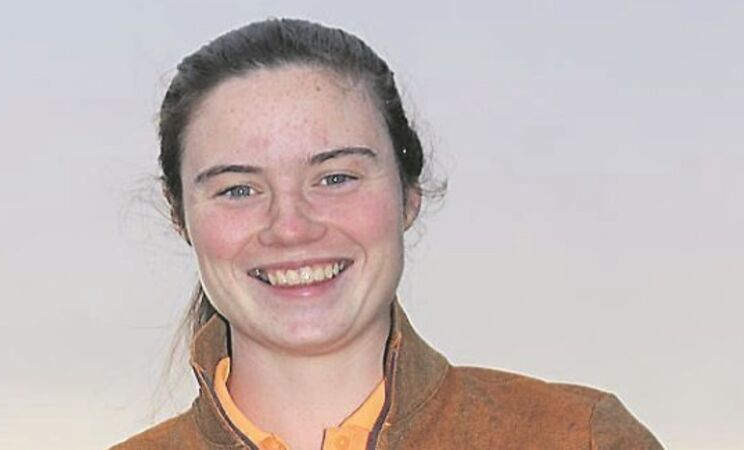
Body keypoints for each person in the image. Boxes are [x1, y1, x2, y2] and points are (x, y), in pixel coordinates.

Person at [111, 18, 662, 450]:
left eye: (336, 178)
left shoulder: (575, 437)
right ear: (180, 216)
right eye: (238, 189)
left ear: (408, 195)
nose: (292, 227)